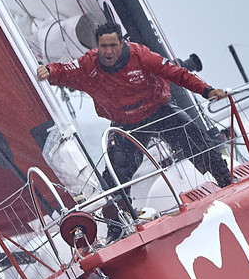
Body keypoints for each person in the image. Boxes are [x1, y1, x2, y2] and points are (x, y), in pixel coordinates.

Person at [36, 22, 234, 193]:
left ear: (122, 44)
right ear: (98, 46)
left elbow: (177, 73)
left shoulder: (141, 56)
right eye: (103, 46)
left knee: (194, 138)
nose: (109, 51)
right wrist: (49, 70)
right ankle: (120, 224)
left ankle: (228, 182)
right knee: (116, 172)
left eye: (113, 45)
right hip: (125, 124)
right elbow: (65, 70)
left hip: (158, 111)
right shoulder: (89, 63)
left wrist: (207, 90)